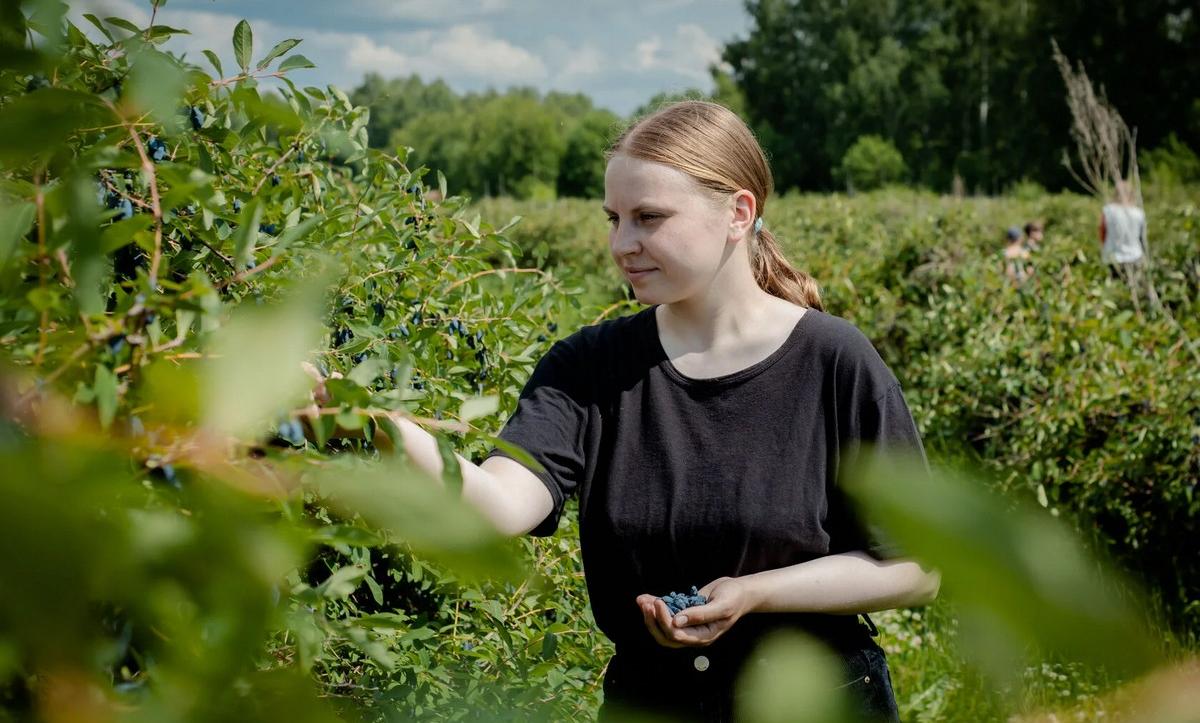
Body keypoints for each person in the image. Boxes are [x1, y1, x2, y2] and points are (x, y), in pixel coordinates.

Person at [366, 101, 940, 722]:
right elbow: (501, 506)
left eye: (649, 218)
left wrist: (755, 594)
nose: (622, 244)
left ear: (738, 214)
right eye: (613, 219)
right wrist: (378, 424)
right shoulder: (588, 367)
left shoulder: (833, 360)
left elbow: (916, 566)